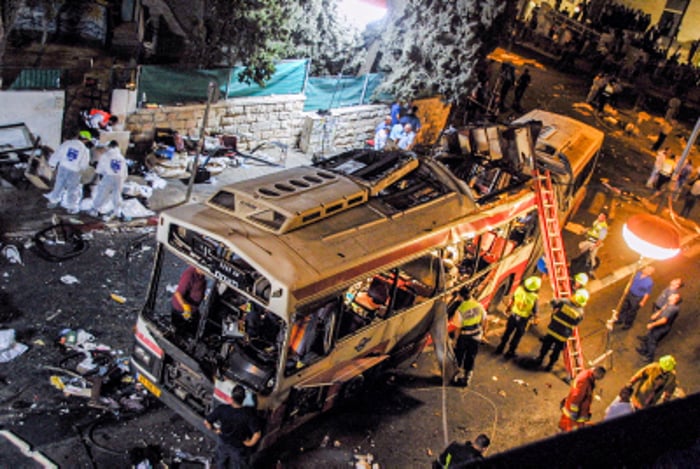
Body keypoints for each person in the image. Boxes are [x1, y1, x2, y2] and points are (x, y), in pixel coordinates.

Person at [204, 385, 262, 469]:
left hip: (223, 441)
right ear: (244, 398)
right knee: (239, 465)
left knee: (221, 461)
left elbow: (207, 422)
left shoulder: (222, 409)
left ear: (231, 397)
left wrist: (215, 430)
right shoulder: (248, 414)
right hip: (238, 446)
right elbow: (257, 434)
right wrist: (249, 443)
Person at [535, 289, 588, 371]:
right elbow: (575, 324)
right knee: (556, 351)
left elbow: (553, 302)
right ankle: (550, 365)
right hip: (563, 335)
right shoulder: (580, 313)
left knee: (546, 346)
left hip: (553, 329)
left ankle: (540, 359)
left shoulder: (564, 302)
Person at [44, 131, 92, 214]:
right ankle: (71, 206)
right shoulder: (84, 150)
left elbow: (57, 153)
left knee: (59, 184)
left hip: (62, 167)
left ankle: (53, 201)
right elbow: (84, 164)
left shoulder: (67, 143)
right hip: (74, 170)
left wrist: (52, 164)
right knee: (72, 188)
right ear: (86, 140)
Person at [495, 276, 540, 359]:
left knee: (507, 332)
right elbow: (536, 312)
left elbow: (512, 301)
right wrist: (536, 319)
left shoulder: (519, 289)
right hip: (523, 320)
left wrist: (508, 309)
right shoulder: (534, 297)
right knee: (517, 336)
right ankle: (510, 352)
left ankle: (500, 347)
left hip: (513, 316)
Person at [450, 287, 487, 386]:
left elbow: (458, 328)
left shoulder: (460, 310)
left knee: (458, 357)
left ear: (461, 297)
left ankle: (454, 377)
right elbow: (484, 320)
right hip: (476, 337)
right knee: (471, 357)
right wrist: (483, 333)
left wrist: (455, 340)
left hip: (464, 338)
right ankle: (467, 379)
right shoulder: (479, 305)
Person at [89, 140, 128, 221]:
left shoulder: (106, 155)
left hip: (109, 176)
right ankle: (118, 212)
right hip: (120, 178)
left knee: (102, 193)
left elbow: (100, 169)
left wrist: (98, 173)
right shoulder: (121, 157)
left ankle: (95, 209)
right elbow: (125, 171)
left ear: (110, 146)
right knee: (117, 195)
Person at [636, 292, 680, 362]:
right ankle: (644, 350)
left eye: (672, 296)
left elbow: (664, 320)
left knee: (652, 341)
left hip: (661, 328)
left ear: (675, 299)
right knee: (649, 337)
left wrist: (652, 324)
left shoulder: (671, 309)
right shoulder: (669, 305)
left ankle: (649, 357)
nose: (670, 295)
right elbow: (662, 311)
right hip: (659, 325)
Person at [559, 366, 606, 432]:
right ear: (596, 372)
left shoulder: (587, 374)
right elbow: (576, 397)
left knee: (566, 424)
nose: (601, 378)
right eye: (601, 376)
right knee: (570, 428)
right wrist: (574, 412)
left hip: (572, 407)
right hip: (577, 411)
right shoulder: (585, 381)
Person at [171, 266, 207, 337]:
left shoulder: (201, 276)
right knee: (180, 335)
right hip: (182, 311)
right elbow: (178, 294)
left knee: (194, 331)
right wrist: (186, 307)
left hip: (194, 309)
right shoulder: (189, 275)